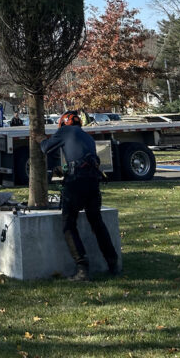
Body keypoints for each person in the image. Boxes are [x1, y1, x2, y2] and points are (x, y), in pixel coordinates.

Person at [40, 110, 119, 282]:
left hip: (76, 183)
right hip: (93, 182)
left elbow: (45, 148)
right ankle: (113, 262)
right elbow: (81, 158)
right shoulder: (88, 137)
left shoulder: (65, 131)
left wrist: (40, 139)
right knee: (96, 222)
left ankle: (82, 269)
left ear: (63, 123)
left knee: (68, 224)